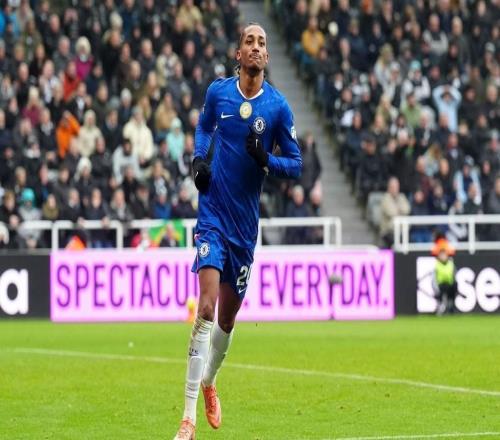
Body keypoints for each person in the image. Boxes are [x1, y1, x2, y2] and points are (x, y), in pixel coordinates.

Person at [174, 23, 302, 440]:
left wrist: (266, 160)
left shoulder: (278, 107)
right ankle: (188, 419)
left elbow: (296, 165)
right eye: (250, 41)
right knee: (206, 308)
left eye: (262, 42)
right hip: (212, 214)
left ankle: (210, 381)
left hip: (244, 230)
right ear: (238, 54)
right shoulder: (219, 93)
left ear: (267, 56)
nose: (256, 47)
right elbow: (203, 127)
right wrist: (198, 160)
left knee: (227, 319)